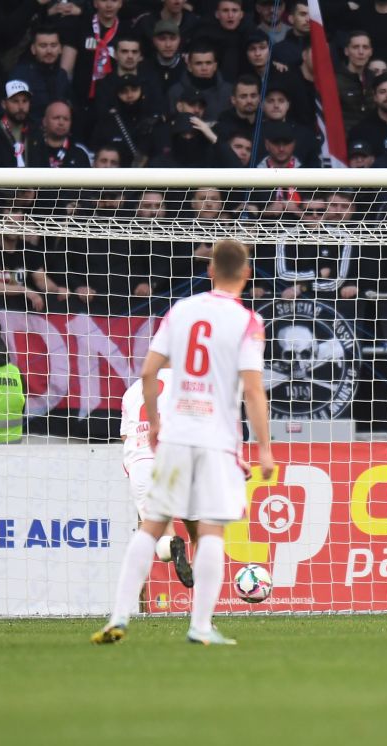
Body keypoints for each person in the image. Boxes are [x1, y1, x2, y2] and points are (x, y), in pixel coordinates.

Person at [92, 240, 275, 647]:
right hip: (215, 438)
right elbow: (252, 389)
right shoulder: (248, 321)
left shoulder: (182, 310)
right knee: (210, 531)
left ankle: (118, 616)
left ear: (210, 271)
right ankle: (200, 626)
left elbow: (148, 371)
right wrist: (263, 447)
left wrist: (155, 423)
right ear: (246, 275)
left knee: (151, 526)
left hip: (176, 435)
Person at [118, 367, 195, 589]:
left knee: (162, 539)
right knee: (198, 524)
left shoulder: (131, 392)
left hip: (140, 462)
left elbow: (124, 435)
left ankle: (171, 543)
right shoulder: (184, 380)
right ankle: (202, 573)